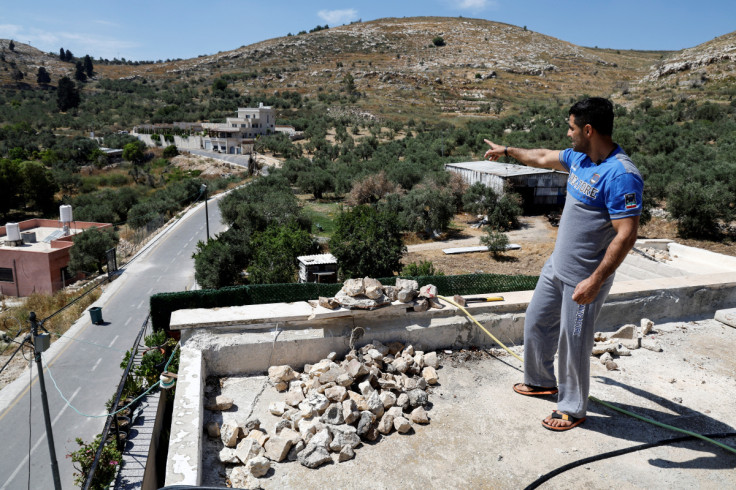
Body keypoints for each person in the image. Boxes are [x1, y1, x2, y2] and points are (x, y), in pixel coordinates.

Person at [483, 97, 643, 431]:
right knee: (537, 321)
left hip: (584, 278)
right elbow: (541, 156)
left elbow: (626, 235)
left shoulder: (621, 175)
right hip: (557, 266)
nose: (567, 134)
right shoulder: (579, 159)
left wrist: (596, 280)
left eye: (571, 128)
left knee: (573, 345)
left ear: (588, 129)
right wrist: (508, 150)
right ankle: (541, 380)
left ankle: (572, 407)